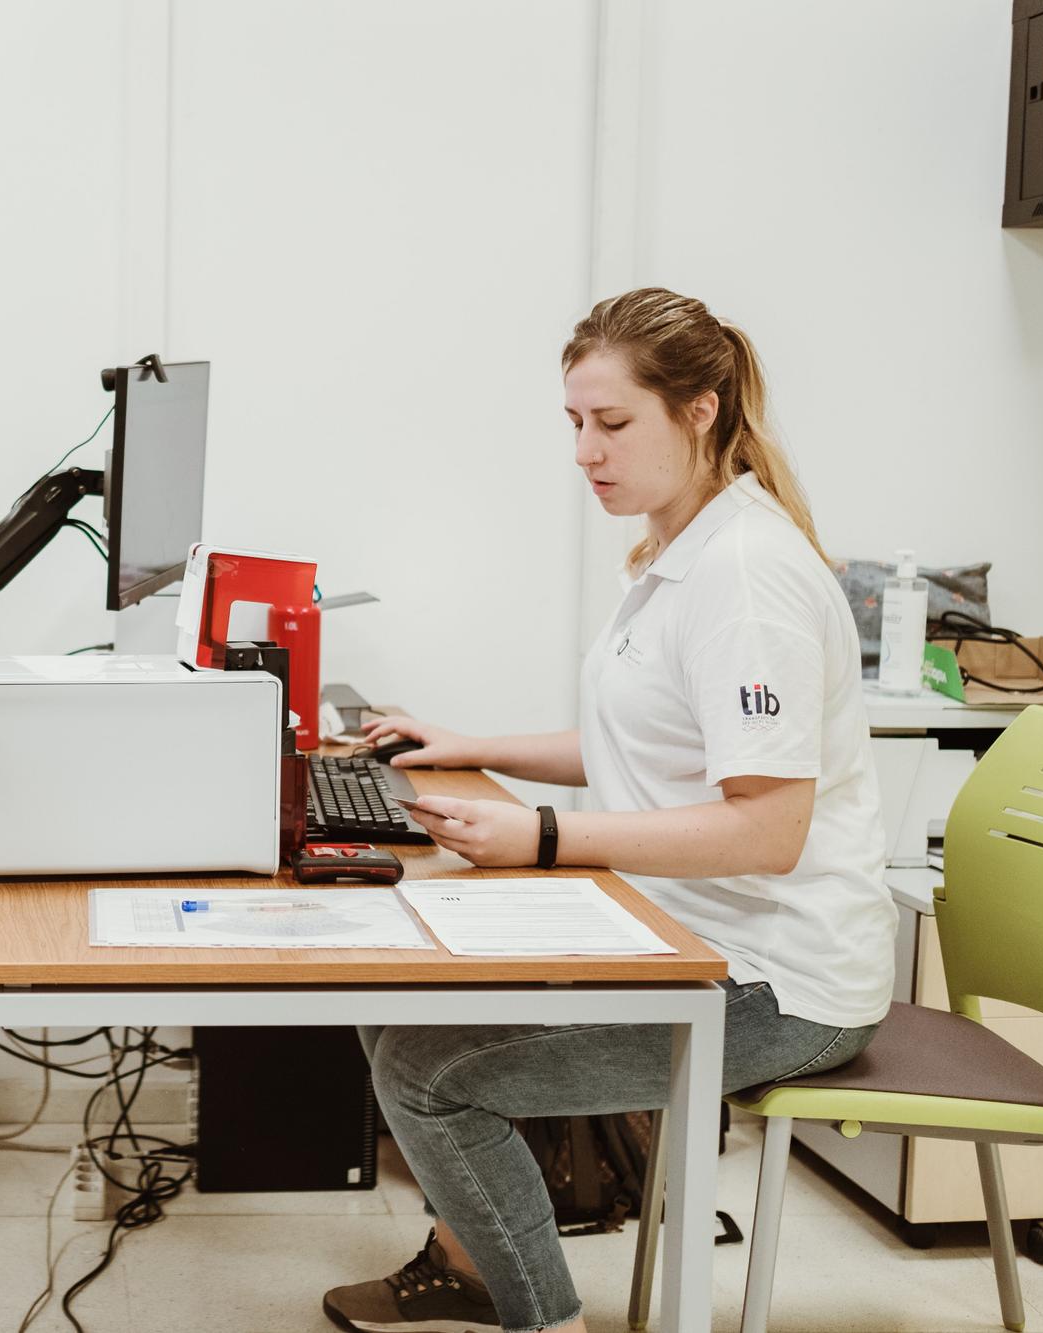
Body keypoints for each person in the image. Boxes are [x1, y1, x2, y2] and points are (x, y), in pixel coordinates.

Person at [320, 288, 894, 1333]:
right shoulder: (676, 554)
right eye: (574, 423)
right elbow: (657, 748)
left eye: (612, 423)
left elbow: (766, 829)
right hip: (680, 931)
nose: (585, 451)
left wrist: (542, 835)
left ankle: (541, 1316)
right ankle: (465, 1258)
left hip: (776, 978)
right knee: (391, 981)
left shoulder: (743, 580)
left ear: (699, 411)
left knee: (426, 1073)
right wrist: (472, 745)